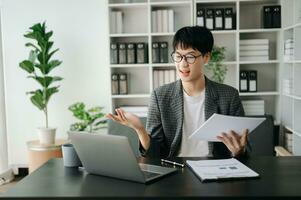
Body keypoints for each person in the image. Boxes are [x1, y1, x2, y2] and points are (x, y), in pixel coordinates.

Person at [106, 26, 248, 159]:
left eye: (190, 57)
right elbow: (154, 155)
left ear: (206, 57)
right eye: (178, 56)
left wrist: (238, 151)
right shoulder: (160, 96)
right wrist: (140, 129)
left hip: (216, 170)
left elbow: (244, 147)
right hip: (175, 169)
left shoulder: (229, 96)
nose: (183, 64)